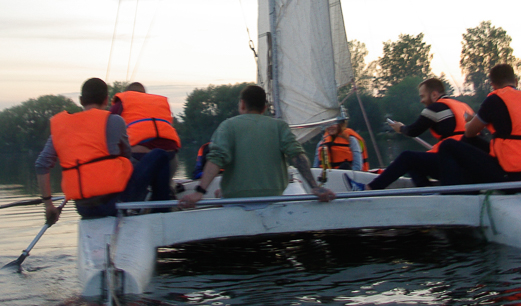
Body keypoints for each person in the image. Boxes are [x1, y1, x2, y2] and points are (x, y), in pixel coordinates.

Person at [35, 77, 174, 222]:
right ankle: (161, 212)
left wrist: (48, 205)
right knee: (160, 155)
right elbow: (126, 155)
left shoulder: (61, 128)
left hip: (84, 209)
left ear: (81, 100)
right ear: (106, 100)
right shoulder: (115, 121)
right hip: (115, 204)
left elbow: (41, 164)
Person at [178, 84, 336, 207]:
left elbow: (215, 159)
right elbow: (297, 156)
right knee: (221, 193)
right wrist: (314, 187)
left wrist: (199, 192)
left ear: (242, 104)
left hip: (236, 199)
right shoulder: (279, 126)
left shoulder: (228, 126)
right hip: (274, 196)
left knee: (220, 194)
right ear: (264, 108)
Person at [111, 81, 180, 185]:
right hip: (170, 158)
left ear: (128, 92)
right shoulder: (159, 102)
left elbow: (107, 127)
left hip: (138, 158)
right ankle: (169, 188)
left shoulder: (123, 100)